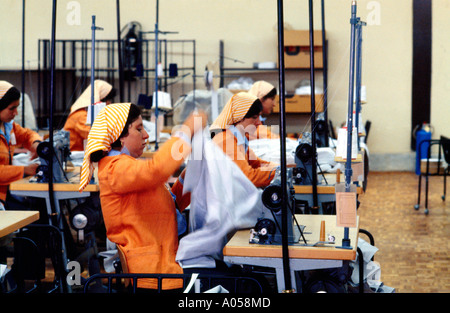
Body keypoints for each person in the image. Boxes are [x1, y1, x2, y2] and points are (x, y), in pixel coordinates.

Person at [79, 102, 207, 291]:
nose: (146, 135)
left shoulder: (125, 165)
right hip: (152, 273)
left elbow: (167, 202)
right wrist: (185, 133)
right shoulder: (116, 168)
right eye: (139, 129)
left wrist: (190, 176)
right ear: (120, 137)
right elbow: (156, 171)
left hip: (162, 262)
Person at [210, 92, 278, 188]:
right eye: (254, 117)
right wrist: (279, 173)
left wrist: (283, 168)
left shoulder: (239, 138)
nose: (259, 122)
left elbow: (256, 163)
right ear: (239, 116)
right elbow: (248, 177)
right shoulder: (225, 140)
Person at [0, 81, 42, 210]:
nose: (16, 113)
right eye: (12, 108)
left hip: (7, 189)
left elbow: (27, 134)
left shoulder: (8, 126)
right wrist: (24, 170)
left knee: (39, 204)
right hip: (2, 194)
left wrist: (36, 144)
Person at [63, 80, 116, 151]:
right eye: (108, 100)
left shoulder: (84, 113)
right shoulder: (80, 115)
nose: (109, 103)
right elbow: (94, 135)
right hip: (74, 153)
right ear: (100, 99)